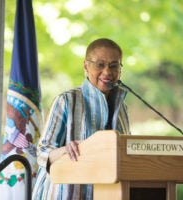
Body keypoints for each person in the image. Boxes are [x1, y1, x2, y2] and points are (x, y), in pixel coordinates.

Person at [32, 38, 131, 200]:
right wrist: (66, 149)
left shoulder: (122, 108)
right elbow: (43, 153)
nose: (107, 72)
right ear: (86, 66)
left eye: (114, 66)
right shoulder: (66, 101)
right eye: (100, 64)